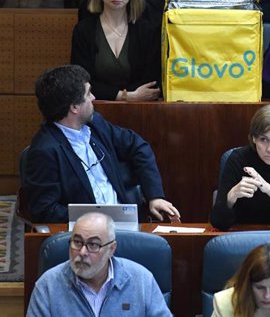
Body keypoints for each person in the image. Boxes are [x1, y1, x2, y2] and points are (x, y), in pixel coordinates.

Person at [25, 65, 180, 223]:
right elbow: (44, 210)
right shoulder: (44, 151)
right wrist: (96, 220)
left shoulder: (96, 125)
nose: (93, 98)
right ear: (74, 107)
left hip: (126, 226)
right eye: (88, 93)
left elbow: (138, 146)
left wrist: (155, 196)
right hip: (85, 237)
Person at [27, 212, 171, 317]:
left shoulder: (141, 280)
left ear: (111, 249)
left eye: (93, 245)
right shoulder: (48, 285)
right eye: (77, 242)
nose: (82, 252)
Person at [71, 0, 161, 101]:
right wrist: (127, 96)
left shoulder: (146, 31)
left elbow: (151, 84)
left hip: (141, 110)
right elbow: (80, 81)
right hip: (95, 110)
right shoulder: (84, 30)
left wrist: (130, 97)